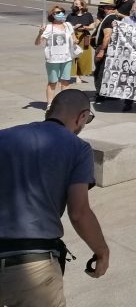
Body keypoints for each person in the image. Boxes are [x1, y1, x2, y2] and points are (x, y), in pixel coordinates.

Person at [0, 90, 109, 304]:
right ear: (82, 116)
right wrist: (101, 251)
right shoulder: (78, 149)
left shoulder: (4, 136)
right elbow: (79, 213)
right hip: (32, 265)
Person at [35, 6, 78, 110]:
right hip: (53, 59)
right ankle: (50, 104)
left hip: (66, 58)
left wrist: (75, 40)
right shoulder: (49, 27)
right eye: (58, 12)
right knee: (52, 82)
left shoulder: (68, 25)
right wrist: (40, 33)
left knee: (65, 81)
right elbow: (37, 43)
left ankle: (64, 103)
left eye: (63, 12)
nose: (61, 14)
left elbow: (74, 38)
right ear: (52, 15)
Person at [91, 0, 120, 101]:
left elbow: (107, 36)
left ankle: (100, 94)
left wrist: (102, 50)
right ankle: (109, 94)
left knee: (100, 72)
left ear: (108, 7)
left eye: (103, 7)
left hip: (103, 49)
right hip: (105, 49)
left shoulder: (109, 19)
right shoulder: (111, 18)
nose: (101, 9)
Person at [66, 0, 95, 84]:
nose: (75, 5)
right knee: (72, 55)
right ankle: (72, 74)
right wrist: (74, 27)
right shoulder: (70, 16)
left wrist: (85, 27)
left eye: (77, 4)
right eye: (74, 4)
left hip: (84, 36)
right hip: (72, 35)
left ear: (82, 6)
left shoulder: (88, 15)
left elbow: (92, 26)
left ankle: (79, 75)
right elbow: (67, 26)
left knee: (83, 56)